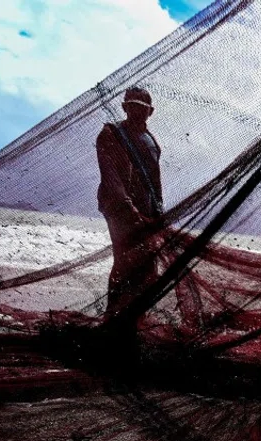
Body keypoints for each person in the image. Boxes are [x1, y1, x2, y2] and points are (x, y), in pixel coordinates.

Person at [96, 86, 166, 319]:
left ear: (150, 112)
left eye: (142, 108)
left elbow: (155, 181)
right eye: (132, 106)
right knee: (124, 260)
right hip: (119, 210)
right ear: (125, 108)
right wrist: (128, 208)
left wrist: (159, 213)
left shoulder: (151, 140)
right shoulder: (111, 134)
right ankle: (112, 315)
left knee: (147, 265)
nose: (136, 112)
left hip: (145, 211)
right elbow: (111, 177)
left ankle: (136, 317)